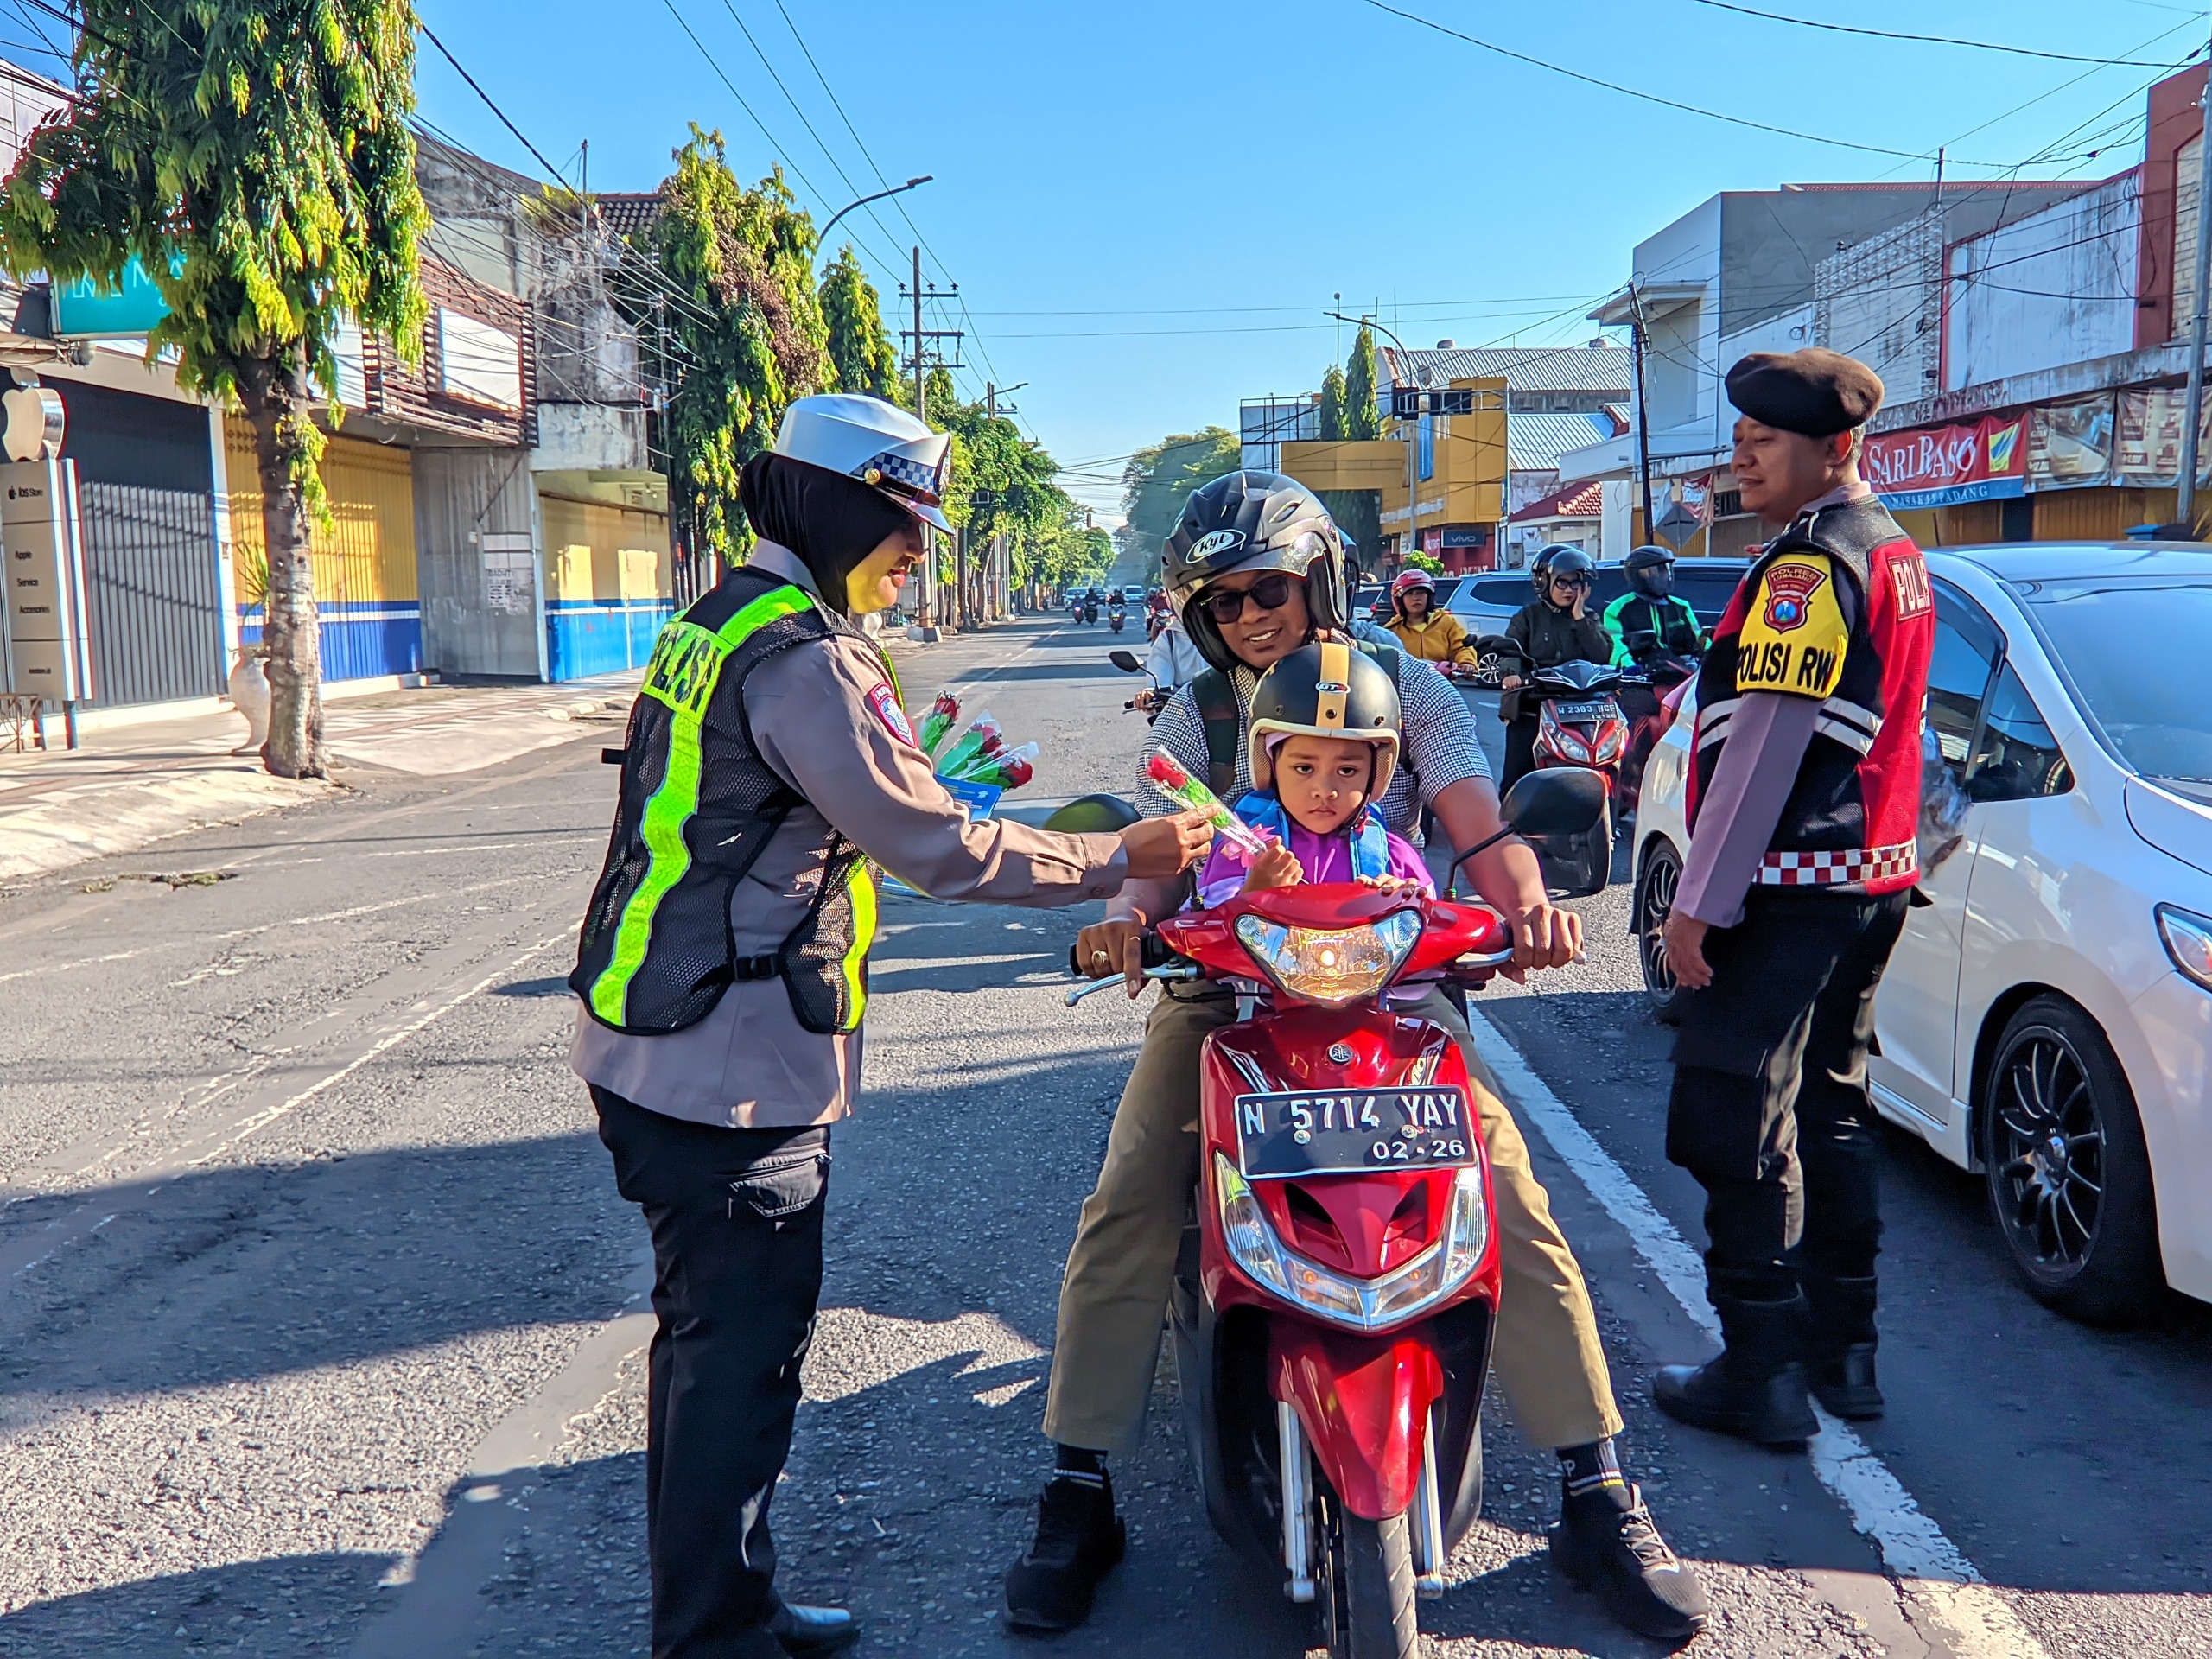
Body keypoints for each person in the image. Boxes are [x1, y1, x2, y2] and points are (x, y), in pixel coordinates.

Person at [1005, 472, 1709, 1643]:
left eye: (1267, 590)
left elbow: (1481, 827)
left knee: (1509, 1198)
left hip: (1399, 992)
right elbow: (1156, 859)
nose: (1248, 617)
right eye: (1224, 602)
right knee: (1131, 1196)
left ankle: (1597, 1489)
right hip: (1228, 997)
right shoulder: (1195, 719)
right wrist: (1126, 918)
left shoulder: (1408, 686)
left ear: (1319, 580)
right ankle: (1077, 1487)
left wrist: (1531, 909)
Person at [567, 393, 1215, 1659]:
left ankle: (730, 1603)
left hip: (651, 1030)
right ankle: (713, 1637)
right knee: (738, 1366)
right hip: (729, 1062)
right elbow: (938, 848)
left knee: (706, 1350)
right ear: (835, 507)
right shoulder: (810, 657)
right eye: (902, 521)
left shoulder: (718, 620)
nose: (918, 548)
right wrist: (1119, 857)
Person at [1652, 348, 1935, 1449]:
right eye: (1738, 440)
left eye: (1763, 441)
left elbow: (1765, 754)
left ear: (1836, 448)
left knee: (1734, 1119)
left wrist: (1696, 906)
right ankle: (1842, 1352)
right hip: (1869, 882)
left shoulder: (1808, 570)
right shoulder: (1893, 550)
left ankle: (1760, 1372)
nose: (1743, 458)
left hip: (1788, 888)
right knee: (1832, 1106)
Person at [1191, 641, 1434, 908]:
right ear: (1270, 766)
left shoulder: (1395, 857)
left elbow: (1432, 920)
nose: (1324, 790)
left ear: (1375, 773)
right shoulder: (1240, 852)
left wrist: (1407, 903)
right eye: (1304, 768)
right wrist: (1252, 894)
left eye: (1347, 770)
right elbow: (1208, 923)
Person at [1498, 546, 1614, 791]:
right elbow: (1510, 651)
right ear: (1544, 582)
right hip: (1534, 702)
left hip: (1579, 707)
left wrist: (1580, 618)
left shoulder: (1589, 618)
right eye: (1562, 582)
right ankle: (1509, 814)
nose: (1569, 590)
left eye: (1575, 583)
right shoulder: (1527, 617)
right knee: (1516, 776)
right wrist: (1512, 674)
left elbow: (1602, 655)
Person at [1602, 545, 1705, 668]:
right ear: (1638, 575)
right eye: (1658, 570)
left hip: (1682, 673)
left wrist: (1709, 656)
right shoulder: (1617, 609)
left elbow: (1700, 641)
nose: (1664, 575)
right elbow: (1617, 647)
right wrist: (1630, 667)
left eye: (1666, 569)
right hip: (1642, 674)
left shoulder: (1681, 606)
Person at [1384, 568, 1478, 670]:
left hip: (1444, 678)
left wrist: (1467, 663)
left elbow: (1462, 648)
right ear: (1399, 600)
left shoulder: (1447, 622)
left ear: (1430, 597)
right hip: (1404, 679)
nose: (1416, 598)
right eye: (1409, 594)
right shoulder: (1391, 631)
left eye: (1420, 592)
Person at [1134, 600, 1211, 712]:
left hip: (1229, 707)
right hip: (1185, 710)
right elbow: (1159, 681)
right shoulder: (1169, 638)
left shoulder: (1227, 633)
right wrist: (1150, 694)